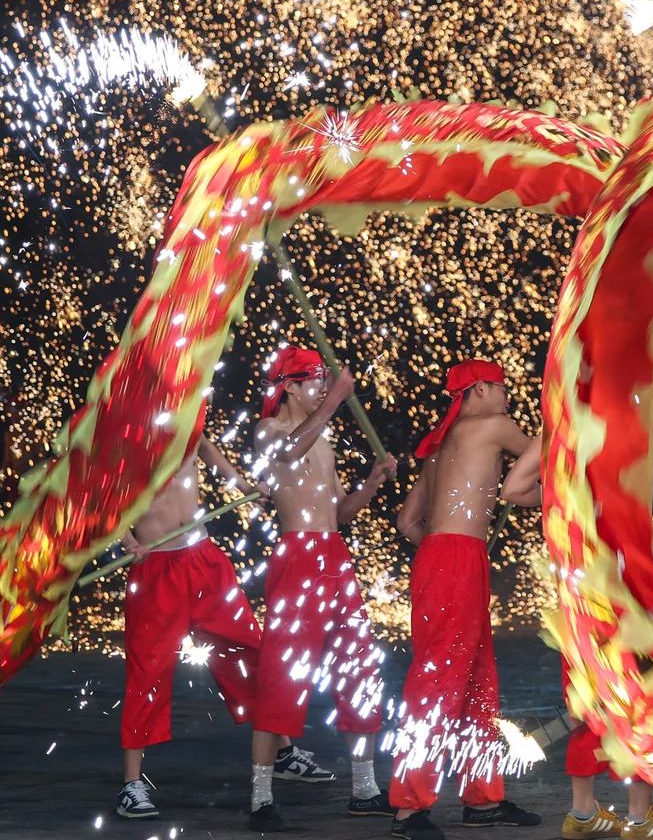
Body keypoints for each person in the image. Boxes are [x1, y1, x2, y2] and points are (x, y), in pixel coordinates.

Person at [113, 429, 332, 819]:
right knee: (147, 673)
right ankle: (132, 785)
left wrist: (245, 486)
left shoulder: (186, 423)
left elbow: (209, 450)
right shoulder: (128, 438)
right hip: (156, 572)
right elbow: (104, 505)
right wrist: (129, 541)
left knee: (250, 653)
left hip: (203, 562)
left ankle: (281, 752)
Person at [503, 419, 653, 840]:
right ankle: (639, 818)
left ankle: (584, 812)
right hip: (631, 585)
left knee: (588, 689)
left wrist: (567, 502)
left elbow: (514, 490)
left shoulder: (563, 429)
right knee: (645, 690)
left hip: (582, 584)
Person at [247, 345, 397, 832]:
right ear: (289, 386)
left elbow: (341, 514)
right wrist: (334, 400)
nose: (322, 386)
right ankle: (261, 797)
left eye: (324, 380)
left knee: (359, 666)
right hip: (296, 559)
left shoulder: (323, 439)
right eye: (315, 379)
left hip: (334, 555)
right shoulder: (267, 432)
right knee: (283, 674)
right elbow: (289, 454)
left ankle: (365, 788)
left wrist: (372, 483)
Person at [391, 359, 542, 840]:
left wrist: (446, 550)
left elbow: (406, 524)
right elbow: (550, 454)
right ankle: (408, 809)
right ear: (478, 390)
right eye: (501, 387)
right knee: (438, 682)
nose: (506, 397)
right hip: (456, 560)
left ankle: (482, 798)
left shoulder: (438, 449)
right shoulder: (493, 425)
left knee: (477, 681)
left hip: (445, 559)